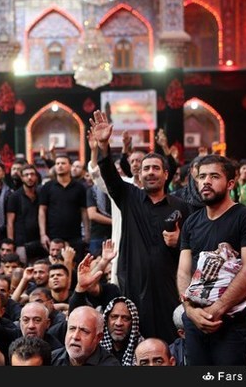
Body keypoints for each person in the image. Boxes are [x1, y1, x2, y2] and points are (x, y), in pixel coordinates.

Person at [90, 109, 190, 343]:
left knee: (169, 339)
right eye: (146, 169)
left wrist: (180, 241)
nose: (150, 173)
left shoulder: (181, 206)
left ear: (166, 174)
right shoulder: (128, 197)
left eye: (156, 168)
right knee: (135, 339)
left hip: (169, 285)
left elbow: (192, 245)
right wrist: (103, 145)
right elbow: (109, 175)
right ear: (140, 174)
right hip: (133, 283)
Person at [177, 154, 246, 365]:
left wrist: (217, 309)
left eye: (214, 176)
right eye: (202, 176)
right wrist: (190, 310)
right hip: (194, 321)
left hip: (230, 321)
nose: (206, 181)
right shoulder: (191, 223)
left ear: (230, 183)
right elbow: (183, 271)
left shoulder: (245, 217)